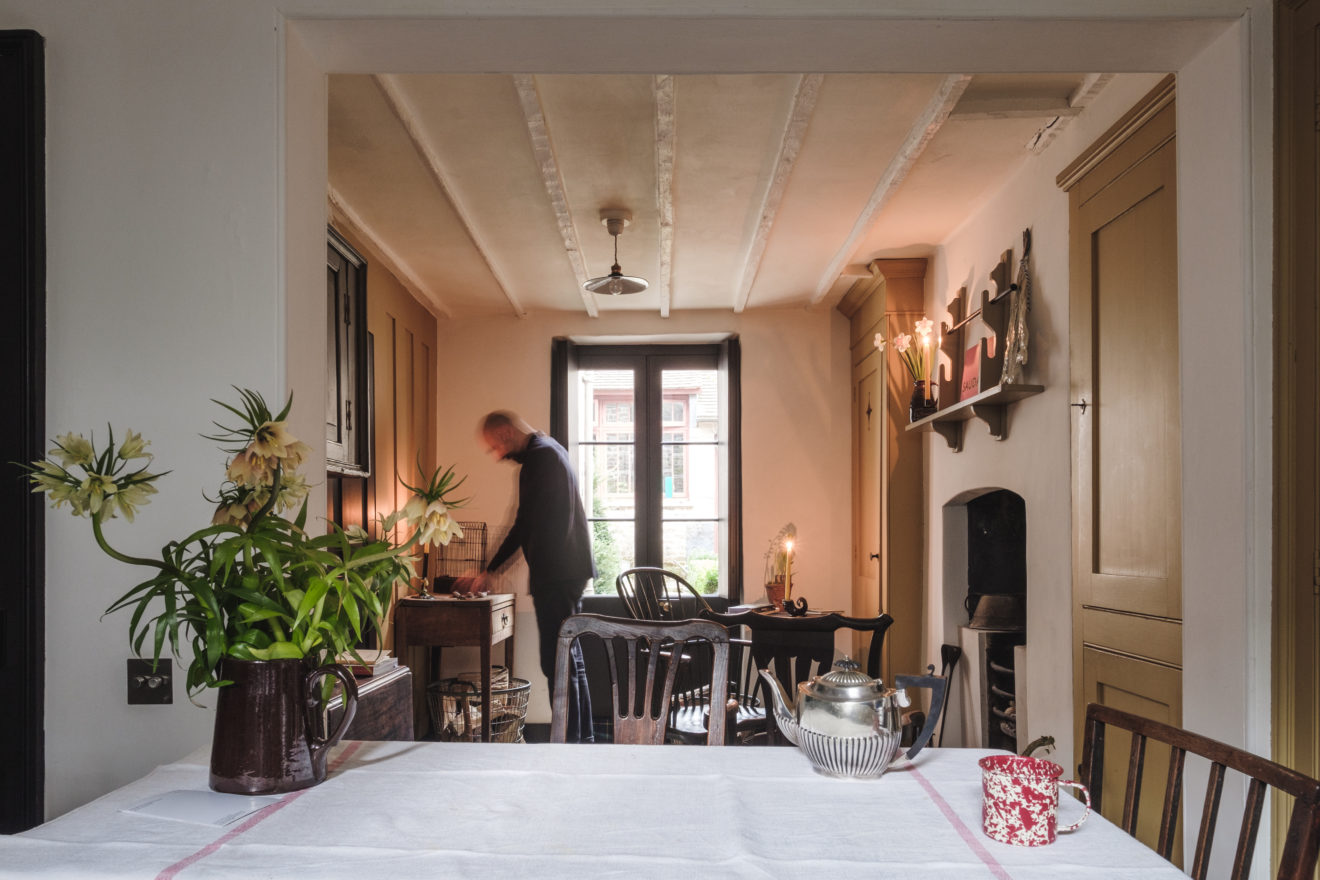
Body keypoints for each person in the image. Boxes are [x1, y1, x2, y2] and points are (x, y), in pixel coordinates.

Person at [471, 410, 595, 743]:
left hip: (556, 575)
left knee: (556, 663)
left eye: (493, 448)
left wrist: (490, 570)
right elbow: (528, 523)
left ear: (504, 434)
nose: (497, 456)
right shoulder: (553, 449)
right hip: (568, 572)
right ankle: (581, 740)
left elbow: (523, 523)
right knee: (569, 660)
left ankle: (569, 743)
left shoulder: (539, 459)